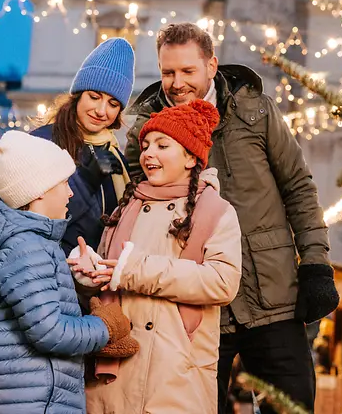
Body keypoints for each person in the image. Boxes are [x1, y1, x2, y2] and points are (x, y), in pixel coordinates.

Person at [124, 23, 339, 413]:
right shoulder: (145, 130)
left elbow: (298, 188)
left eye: (188, 71)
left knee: (290, 407)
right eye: (168, 72)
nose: (177, 83)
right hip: (194, 306)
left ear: (211, 65)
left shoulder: (254, 112)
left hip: (272, 295)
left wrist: (316, 265)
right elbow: (139, 212)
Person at [78, 99, 243, 414]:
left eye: (162, 145)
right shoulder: (127, 207)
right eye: (146, 145)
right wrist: (87, 274)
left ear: (191, 157)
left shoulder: (216, 211)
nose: (148, 153)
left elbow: (222, 282)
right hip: (115, 377)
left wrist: (135, 270)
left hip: (175, 378)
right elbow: (105, 280)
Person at [0, 131, 139, 414]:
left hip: (43, 401)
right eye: (64, 182)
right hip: (37, 406)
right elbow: (50, 331)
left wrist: (78, 277)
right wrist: (106, 327)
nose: (70, 192)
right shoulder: (26, 249)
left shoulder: (38, 245)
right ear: (39, 190)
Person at [32, 37, 135, 255]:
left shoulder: (114, 154)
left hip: (97, 277)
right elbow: (34, 221)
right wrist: (87, 181)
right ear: (78, 96)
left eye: (113, 104)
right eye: (94, 97)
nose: (101, 110)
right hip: (51, 272)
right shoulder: (42, 143)